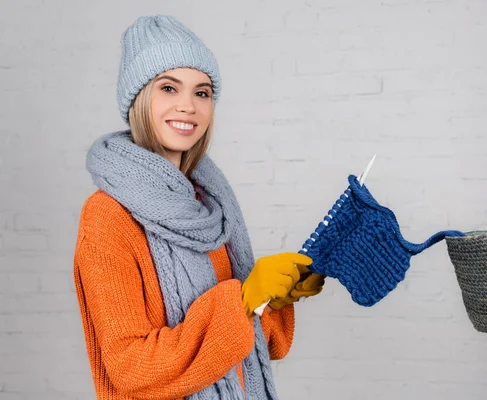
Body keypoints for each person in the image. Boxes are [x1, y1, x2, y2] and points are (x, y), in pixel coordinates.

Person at [73, 14, 325, 400]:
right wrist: (241, 299)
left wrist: (268, 300)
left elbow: (261, 345)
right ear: (139, 99)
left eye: (202, 92)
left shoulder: (211, 203)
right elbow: (128, 367)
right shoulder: (108, 215)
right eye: (169, 88)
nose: (188, 106)